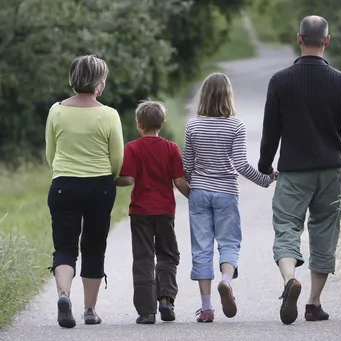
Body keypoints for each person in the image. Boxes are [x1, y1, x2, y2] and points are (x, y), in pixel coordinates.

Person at [258, 15, 341, 325]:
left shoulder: (280, 81)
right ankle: (313, 302)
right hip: (331, 171)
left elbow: (271, 131)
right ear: (327, 41)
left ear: (299, 39)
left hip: (293, 171)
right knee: (324, 232)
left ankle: (288, 281)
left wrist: (265, 167)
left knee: (287, 226)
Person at [183, 73, 277, 323]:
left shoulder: (193, 126)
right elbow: (241, 165)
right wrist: (265, 179)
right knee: (229, 242)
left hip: (199, 193)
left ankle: (206, 308)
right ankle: (226, 281)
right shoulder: (235, 126)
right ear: (228, 96)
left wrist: (194, 187)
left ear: (204, 96)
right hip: (226, 192)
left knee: (201, 248)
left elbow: (187, 167)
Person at [45, 55, 124, 328]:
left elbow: (50, 154)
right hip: (99, 186)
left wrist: (63, 173)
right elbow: (117, 160)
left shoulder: (56, 111)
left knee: (65, 247)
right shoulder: (109, 114)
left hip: (64, 184)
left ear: (73, 79)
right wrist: (109, 179)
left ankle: (64, 294)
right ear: (99, 84)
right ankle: (89, 310)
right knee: (93, 247)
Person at [115, 100, 190, 325]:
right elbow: (179, 181)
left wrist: (110, 181)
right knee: (167, 254)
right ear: (163, 123)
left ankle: (147, 311)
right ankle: (166, 298)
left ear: (139, 125)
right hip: (165, 210)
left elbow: (129, 179)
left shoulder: (132, 148)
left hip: (140, 212)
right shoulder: (171, 148)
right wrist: (195, 199)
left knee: (143, 258)